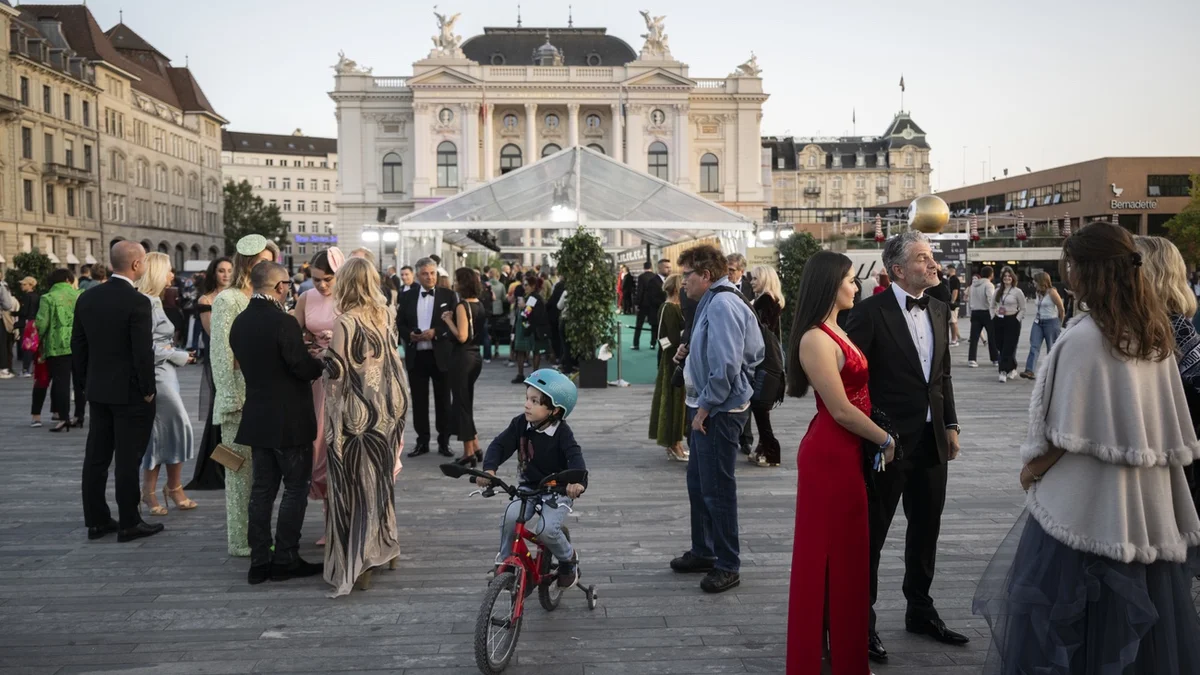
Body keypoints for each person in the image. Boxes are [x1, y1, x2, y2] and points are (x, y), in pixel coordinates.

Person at [973, 221, 1200, 673]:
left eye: (1071, 264)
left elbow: (1063, 430)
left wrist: (1031, 471)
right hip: (1144, 507)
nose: (1067, 273)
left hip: (1087, 503)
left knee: (1072, 626)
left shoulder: (1083, 338)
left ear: (1087, 271)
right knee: (1141, 626)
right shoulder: (1153, 335)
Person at [844, 231, 967, 663]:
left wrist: (950, 424)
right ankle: (863, 623)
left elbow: (943, 373)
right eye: (922, 258)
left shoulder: (938, 306)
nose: (932, 264)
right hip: (887, 445)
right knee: (873, 535)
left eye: (931, 257)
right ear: (898, 269)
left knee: (926, 529)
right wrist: (879, 434)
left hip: (933, 441)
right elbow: (854, 382)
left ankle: (920, 609)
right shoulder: (868, 313)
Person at [786, 251, 896, 675]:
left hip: (849, 451)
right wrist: (885, 439)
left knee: (849, 558)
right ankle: (817, 658)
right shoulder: (816, 337)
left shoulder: (837, 329)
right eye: (850, 279)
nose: (856, 286)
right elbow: (841, 410)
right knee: (825, 558)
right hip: (830, 455)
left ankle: (844, 655)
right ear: (831, 284)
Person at [669, 244, 764, 594]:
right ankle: (705, 550)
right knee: (699, 483)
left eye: (688, 276)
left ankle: (727, 563)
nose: (684, 283)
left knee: (717, 488)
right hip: (711, 404)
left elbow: (726, 365)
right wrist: (690, 351)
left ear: (705, 275)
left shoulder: (722, 303)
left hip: (718, 409)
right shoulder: (716, 300)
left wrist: (705, 407)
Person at [230, 261, 324, 585]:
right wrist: (318, 362)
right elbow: (300, 367)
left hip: (257, 417)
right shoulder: (283, 322)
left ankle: (259, 560)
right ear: (280, 286)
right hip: (290, 420)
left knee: (262, 491)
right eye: (288, 284)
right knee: (295, 489)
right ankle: (285, 557)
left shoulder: (239, 322)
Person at [322, 256, 408, 595]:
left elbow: (337, 373)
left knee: (355, 486)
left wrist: (320, 359)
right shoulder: (385, 314)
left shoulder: (346, 322)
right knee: (381, 482)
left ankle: (363, 560)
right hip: (387, 408)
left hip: (356, 416)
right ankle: (388, 547)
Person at [74, 240, 161, 543]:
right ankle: (129, 522)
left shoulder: (87, 298)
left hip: (98, 390)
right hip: (130, 393)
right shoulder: (137, 302)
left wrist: (85, 384)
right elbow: (142, 353)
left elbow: (79, 347)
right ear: (136, 265)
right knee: (128, 457)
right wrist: (148, 390)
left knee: (96, 456)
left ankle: (96, 519)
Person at [477, 369, 586, 588]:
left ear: (554, 410)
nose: (527, 404)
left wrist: (577, 483)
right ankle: (506, 563)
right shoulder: (520, 424)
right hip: (528, 487)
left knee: (546, 530)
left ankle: (568, 558)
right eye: (527, 398)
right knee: (510, 517)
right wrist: (489, 470)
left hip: (557, 490)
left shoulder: (562, 433)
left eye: (535, 401)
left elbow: (576, 459)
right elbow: (500, 445)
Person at [211, 234, 279, 556]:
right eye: (261, 262)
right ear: (247, 264)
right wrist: (228, 397)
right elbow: (221, 354)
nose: (266, 267)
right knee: (239, 473)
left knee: (262, 475)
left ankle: (259, 535)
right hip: (238, 400)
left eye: (270, 261)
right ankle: (241, 541)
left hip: (265, 397)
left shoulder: (267, 299)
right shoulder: (229, 300)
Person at [135, 253, 197, 516]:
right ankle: (153, 491)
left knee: (171, 430)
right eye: (169, 271)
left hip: (166, 373)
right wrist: (178, 355)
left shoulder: (154, 301)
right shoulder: (147, 303)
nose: (173, 276)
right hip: (157, 374)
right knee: (167, 429)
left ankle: (171, 487)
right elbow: (143, 346)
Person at [295, 247, 343, 535]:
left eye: (327, 279)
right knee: (317, 447)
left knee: (336, 447)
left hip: (342, 380)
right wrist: (307, 347)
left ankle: (338, 522)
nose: (322, 285)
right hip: (314, 381)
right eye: (316, 280)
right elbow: (292, 334)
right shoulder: (305, 297)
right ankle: (328, 523)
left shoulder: (349, 298)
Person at [397, 257, 456, 458]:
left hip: (441, 355)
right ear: (418, 275)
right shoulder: (406, 296)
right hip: (416, 355)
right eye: (425, 273)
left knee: (443, 401)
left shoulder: (449, 295)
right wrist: (409, 335)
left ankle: (444, 442)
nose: (430, 277)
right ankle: (422, 442)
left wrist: (436, 333)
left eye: (432, 273)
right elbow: (400, 324)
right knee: (419, 402)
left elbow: (454, 323)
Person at [186, 257, 233, 491]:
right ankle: (217, 469)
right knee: (220, 414)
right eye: (221, 271)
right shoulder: (207, 300)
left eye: (229, 271)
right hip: (220, 361)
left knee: (232, 416)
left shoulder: (238, 296)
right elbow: (213, 333)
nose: (225, 275)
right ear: (213, 273)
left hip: (239, 361)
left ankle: (233, 466)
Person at [443, 267, 486, 467]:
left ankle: (468, 452)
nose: (454, 283)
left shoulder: (462, 306)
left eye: (457, 280)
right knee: (465, 402)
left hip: (462, 358)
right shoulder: (479, 304)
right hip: (476, 357)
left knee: (461, 404)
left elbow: (461, 336)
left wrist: (448, 320)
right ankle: (475, 446)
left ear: (463, 283)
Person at [36, 268, 84, 432]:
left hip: (57, 346)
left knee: (61, 383)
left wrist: (40, 341)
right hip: (80, 344)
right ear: (68, 280)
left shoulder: (48, 298)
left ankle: (64, 417)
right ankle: (79, 415)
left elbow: (41, 324)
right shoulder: (81, 295)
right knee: (80, 382)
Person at [649, 274, 688, 462]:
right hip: (672, 360)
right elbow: (663, 337)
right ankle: (674, 443)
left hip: (677, 358)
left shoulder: (676, 308)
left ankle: (676, 443)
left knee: (679, 401)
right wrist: (671, 353)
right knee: (673, 400)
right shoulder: (668, 308)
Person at [748, 265, 784, 468]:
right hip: (769, 359)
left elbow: (758, 331)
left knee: (760, 407)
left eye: (754, 278)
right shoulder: (771, 299)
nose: (751, 282)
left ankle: (770, 451)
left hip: (764, 360)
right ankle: (763, 449)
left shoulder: (765, 300)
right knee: (761, 408)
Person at [1018, 272, 1065, 379]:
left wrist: (1059, 323)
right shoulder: (1038, 292)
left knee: (1051, 347)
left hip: (1051, 322)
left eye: (1035, 281)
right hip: (1038, 322)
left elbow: (1061, 308)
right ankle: (1029, 370)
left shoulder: (1052, 292)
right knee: (1034, 345)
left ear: (1041, 281)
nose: (1033, 283)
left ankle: (1052, 371)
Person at [512, 272, 551, 383]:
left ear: (533, 286)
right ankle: (526, 374)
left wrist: (524, 308)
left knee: (534, 351)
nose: (524, 287)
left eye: (526, 285)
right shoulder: (528, 297)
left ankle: (533, 374)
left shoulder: (533, 298)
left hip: (530, 328)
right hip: (526, 328)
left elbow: (528, 314)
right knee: (524, 351)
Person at [991, 266, 1026, 383]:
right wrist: (993, 316)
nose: (1007, 278)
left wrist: (1017, 319)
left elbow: (1023, 308)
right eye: (1005, 276)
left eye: (1009, 276)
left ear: (1013, 278)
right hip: (999, 320)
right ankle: (1012, 366)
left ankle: (1003, 371)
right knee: (1000, 345)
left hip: (1012, 320)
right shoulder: (997, 291)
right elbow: (992, 306)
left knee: (1008, 346)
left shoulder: (1017, 291)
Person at [633, 260, 669, 350]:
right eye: (667, 267)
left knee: (639, 325)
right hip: (653, 306)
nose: (669, 269)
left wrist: (637, 303)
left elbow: (640, 291)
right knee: (655, 326)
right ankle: (652, 343)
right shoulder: (654, 277)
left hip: (644, 304)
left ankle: (636, 343)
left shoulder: (641, 277)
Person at [967, 266, 998, 368]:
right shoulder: (989, 285)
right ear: (991, 274)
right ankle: (995, 359)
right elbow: (991, 299)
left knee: (974, 338)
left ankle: (972, 359)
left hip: (975, 312)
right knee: (992, 336)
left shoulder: (973, 285)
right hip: (987, 313)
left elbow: (970, 300)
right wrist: (995, 311)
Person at [15, 276, 39, 378]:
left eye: (24, 284)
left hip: (27, 323)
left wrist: (13, 314)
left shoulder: (27, 296)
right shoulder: (37, 296)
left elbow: (24, 312)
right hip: (35, 323)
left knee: (27, 347)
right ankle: (34, 369)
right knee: (34, 346)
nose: (21, 286)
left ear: (30, 285)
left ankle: (25, 370)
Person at [944, 264, 962, 346]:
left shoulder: (954, 279)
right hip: (949, 303)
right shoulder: (949, 279)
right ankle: (957, 337)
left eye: (946, 269)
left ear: (951, 270)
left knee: (953, 322)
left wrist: (952, 301)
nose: (945, 270)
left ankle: (954, 340)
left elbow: (955, 291)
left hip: (953, 304)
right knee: (951, 321)